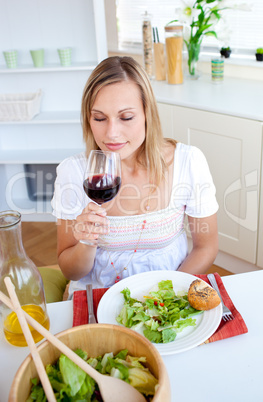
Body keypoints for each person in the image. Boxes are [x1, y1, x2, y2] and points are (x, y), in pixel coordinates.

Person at [51, 56, 218, 298]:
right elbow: (71, 271)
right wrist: (87, 242)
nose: (111, 133)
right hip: (98, 299)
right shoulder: (73, 172)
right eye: (99, 118)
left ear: (147, 114)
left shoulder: (188, 162)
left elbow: (206, 247)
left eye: (126, 117)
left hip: (168, 295)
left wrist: (163, 297)